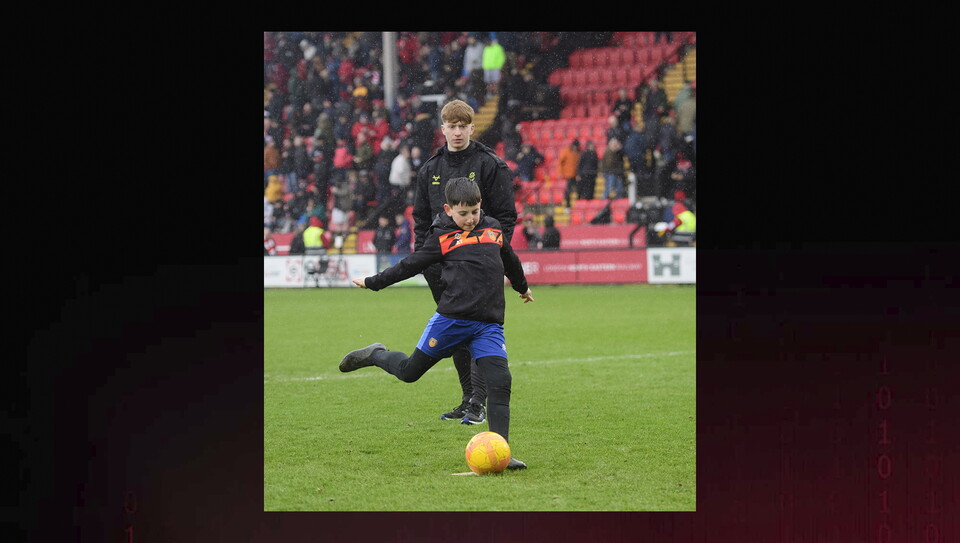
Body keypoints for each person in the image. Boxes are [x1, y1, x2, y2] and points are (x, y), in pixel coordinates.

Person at [340, 177, 532, 470]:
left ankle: (500, 452)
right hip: (451, 321)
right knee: (408, 372)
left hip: (488, 326)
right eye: (464, 213)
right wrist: (373, 282)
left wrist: (522, 286)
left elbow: (510, 259)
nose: (471, 218)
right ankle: (376, 354)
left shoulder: (493, 229)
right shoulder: (442, 237)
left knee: (500, 382)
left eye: (475, 211)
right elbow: (410, 265)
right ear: (449, 209)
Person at [413, 99, 518, 426]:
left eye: (463, 126)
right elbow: (420, 220)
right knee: (456, 333)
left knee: (477, 331)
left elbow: (506, 217)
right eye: (451, 126)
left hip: (479, 267)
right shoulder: (430, 168)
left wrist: (494, 257)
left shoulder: (490, 165)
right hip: (440, 270)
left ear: (473, 127)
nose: (457, 132)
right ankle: (467, 399)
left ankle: (478, 402)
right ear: (442, 128)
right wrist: (425, 260)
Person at [557, 139, 580, 208]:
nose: (575, 148)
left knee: (579, 190)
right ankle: (567, 206)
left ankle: (578, 205)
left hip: (575, 175)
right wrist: (560, 173)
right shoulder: (566, 152)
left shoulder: (578, 153)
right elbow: (560, 163)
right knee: (568, 191)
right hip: (568, 175)